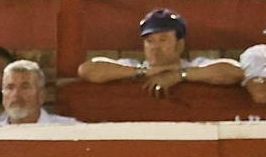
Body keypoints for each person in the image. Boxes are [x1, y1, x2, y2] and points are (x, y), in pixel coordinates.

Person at [78, 7, 244, 95]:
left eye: (163, 40)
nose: (155, 47)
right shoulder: (133, 67)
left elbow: (235, 72)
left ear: (180, 44)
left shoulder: (194, 66)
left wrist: (179, 75)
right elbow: (87, 70)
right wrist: (142, 71)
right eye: (149, 41)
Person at [1, 59, 77, 123]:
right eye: (10, 87)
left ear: (41, 96)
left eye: (24, 87)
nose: (16, 94)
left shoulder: (70, 130)